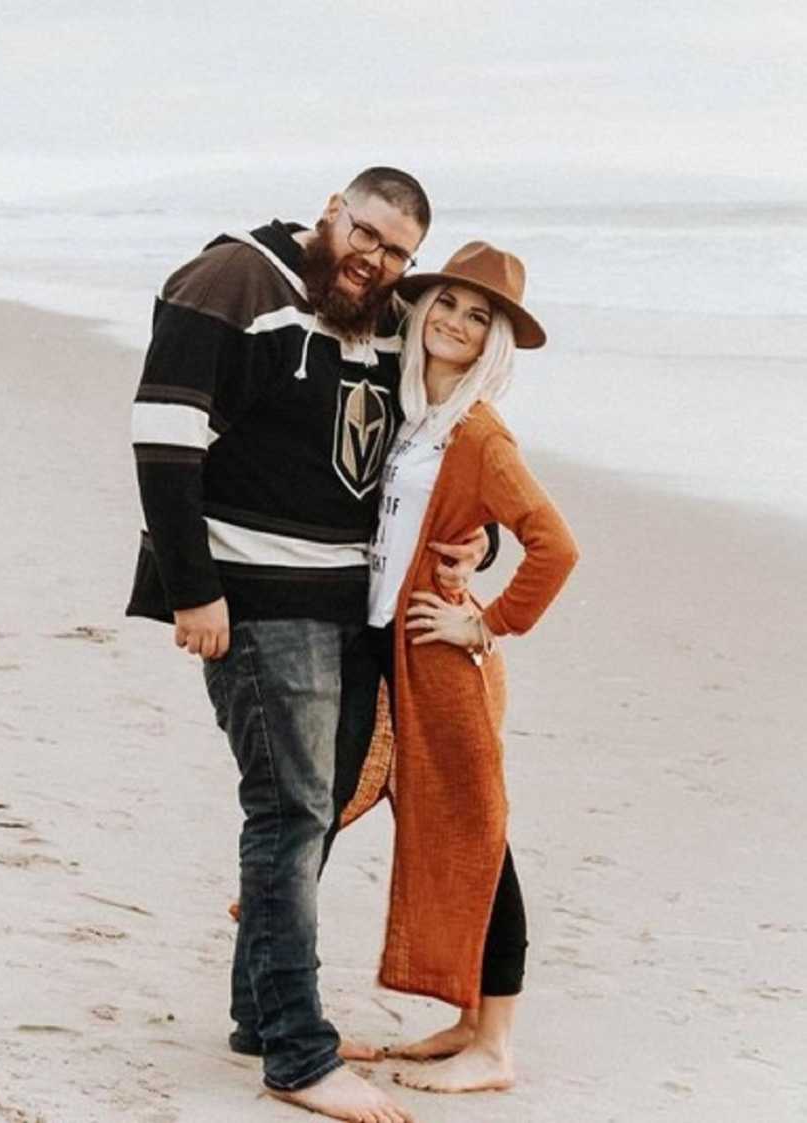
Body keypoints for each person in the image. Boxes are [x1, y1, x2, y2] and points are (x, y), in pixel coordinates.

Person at [126, 168, 496, 1123]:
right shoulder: (234, 281)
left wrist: (482, 537)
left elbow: (417, 448)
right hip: (253, 598)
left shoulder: (376, 317)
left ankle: (258, 1013)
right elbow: (165, 440)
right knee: (290, 809)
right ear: (333, 208)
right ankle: (298, 1050)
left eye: (397, 253)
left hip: (351, 606)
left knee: (315, 807)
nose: (375, 260)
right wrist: (192, 589)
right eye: (366, 234)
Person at [339, 241, 579, 1094]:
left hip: (443, 661)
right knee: (437, 829)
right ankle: (467, 1021)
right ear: (421, 308)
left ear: (493, 343)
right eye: (447, 303)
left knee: (479, 837)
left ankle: (495, 1047)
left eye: (478, 317)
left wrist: (486, 624)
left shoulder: (477, 431)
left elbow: (556, 544)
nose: (456, 322)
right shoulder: (411, 415)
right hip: (390, 653)